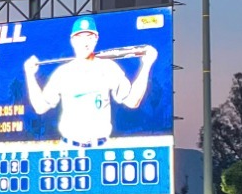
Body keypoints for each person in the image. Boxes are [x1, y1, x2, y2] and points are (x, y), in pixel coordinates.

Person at [23, 17, 157, 148]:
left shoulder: (108, 67)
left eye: (89, 37)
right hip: (69, 149)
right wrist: (30, 74)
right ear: (73, 40)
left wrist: (146, 65)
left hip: (100, 148)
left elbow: (133, 101)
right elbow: (40, 107)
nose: (85, 42)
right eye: (80, 37)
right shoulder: (63, 72)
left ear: (96, 39)